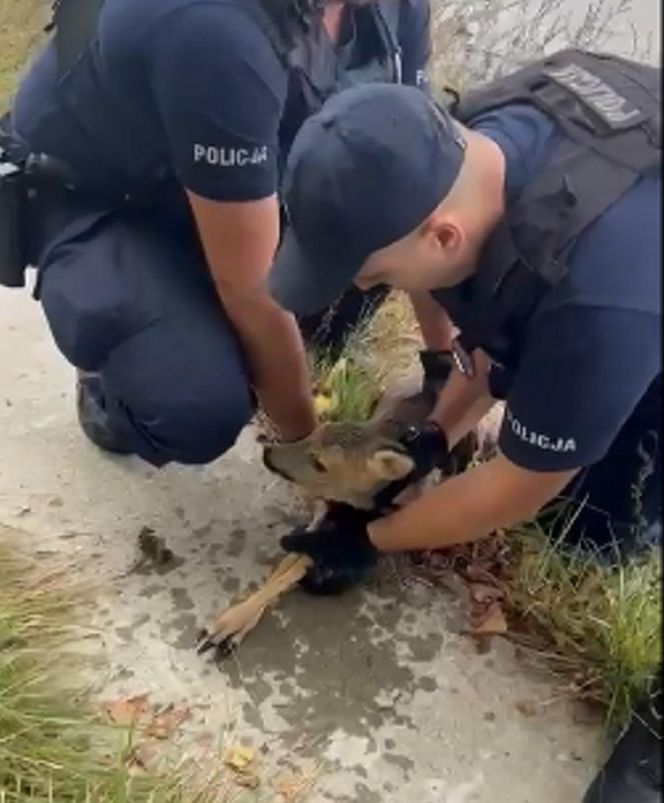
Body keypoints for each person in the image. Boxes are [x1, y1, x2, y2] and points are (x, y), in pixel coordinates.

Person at [268, 51, 661, 802]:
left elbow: (518, 488)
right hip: (634, 283)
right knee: (580, 531)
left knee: (611, 529)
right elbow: (498, 309)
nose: (364, 289)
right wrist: (436, 435)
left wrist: (364, 538)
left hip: (635, 295)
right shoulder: (472, 143)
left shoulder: (599, 295)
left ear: (441, 235)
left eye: (376, 276)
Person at [0, 0, 436, 466]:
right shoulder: (215, 27)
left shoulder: (394, 8)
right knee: (197, 404)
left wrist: (443, 365)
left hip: (221, 180)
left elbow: (420, 187)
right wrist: (309, 455)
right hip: (98, 196)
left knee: (373, 235)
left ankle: (233, 334)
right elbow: (250, 288)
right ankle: (109, 374)